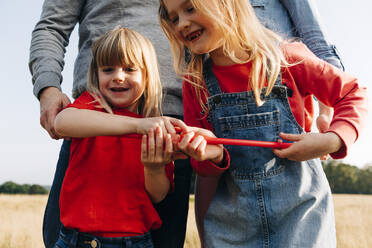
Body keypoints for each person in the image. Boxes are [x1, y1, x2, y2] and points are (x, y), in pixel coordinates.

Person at [158, 0, 368, 247]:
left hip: (302, 220)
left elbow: (353, 93)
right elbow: (203, 171)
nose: (182, 23)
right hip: (233, 229)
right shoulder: (195, 83)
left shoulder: (286, 58)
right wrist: (212, 156)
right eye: (173, 18)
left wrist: (331, 140)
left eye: (190, 8)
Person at [29, 1, 191, 248]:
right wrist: (48, 88)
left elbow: (157, 194)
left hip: (172, 114)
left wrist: (155, 168)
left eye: (129, 69)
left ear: (148, 76)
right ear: (96, 73)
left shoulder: (158, 134)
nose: (118, 76)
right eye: (108, 69)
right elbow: (64, 122)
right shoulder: (90, 106)